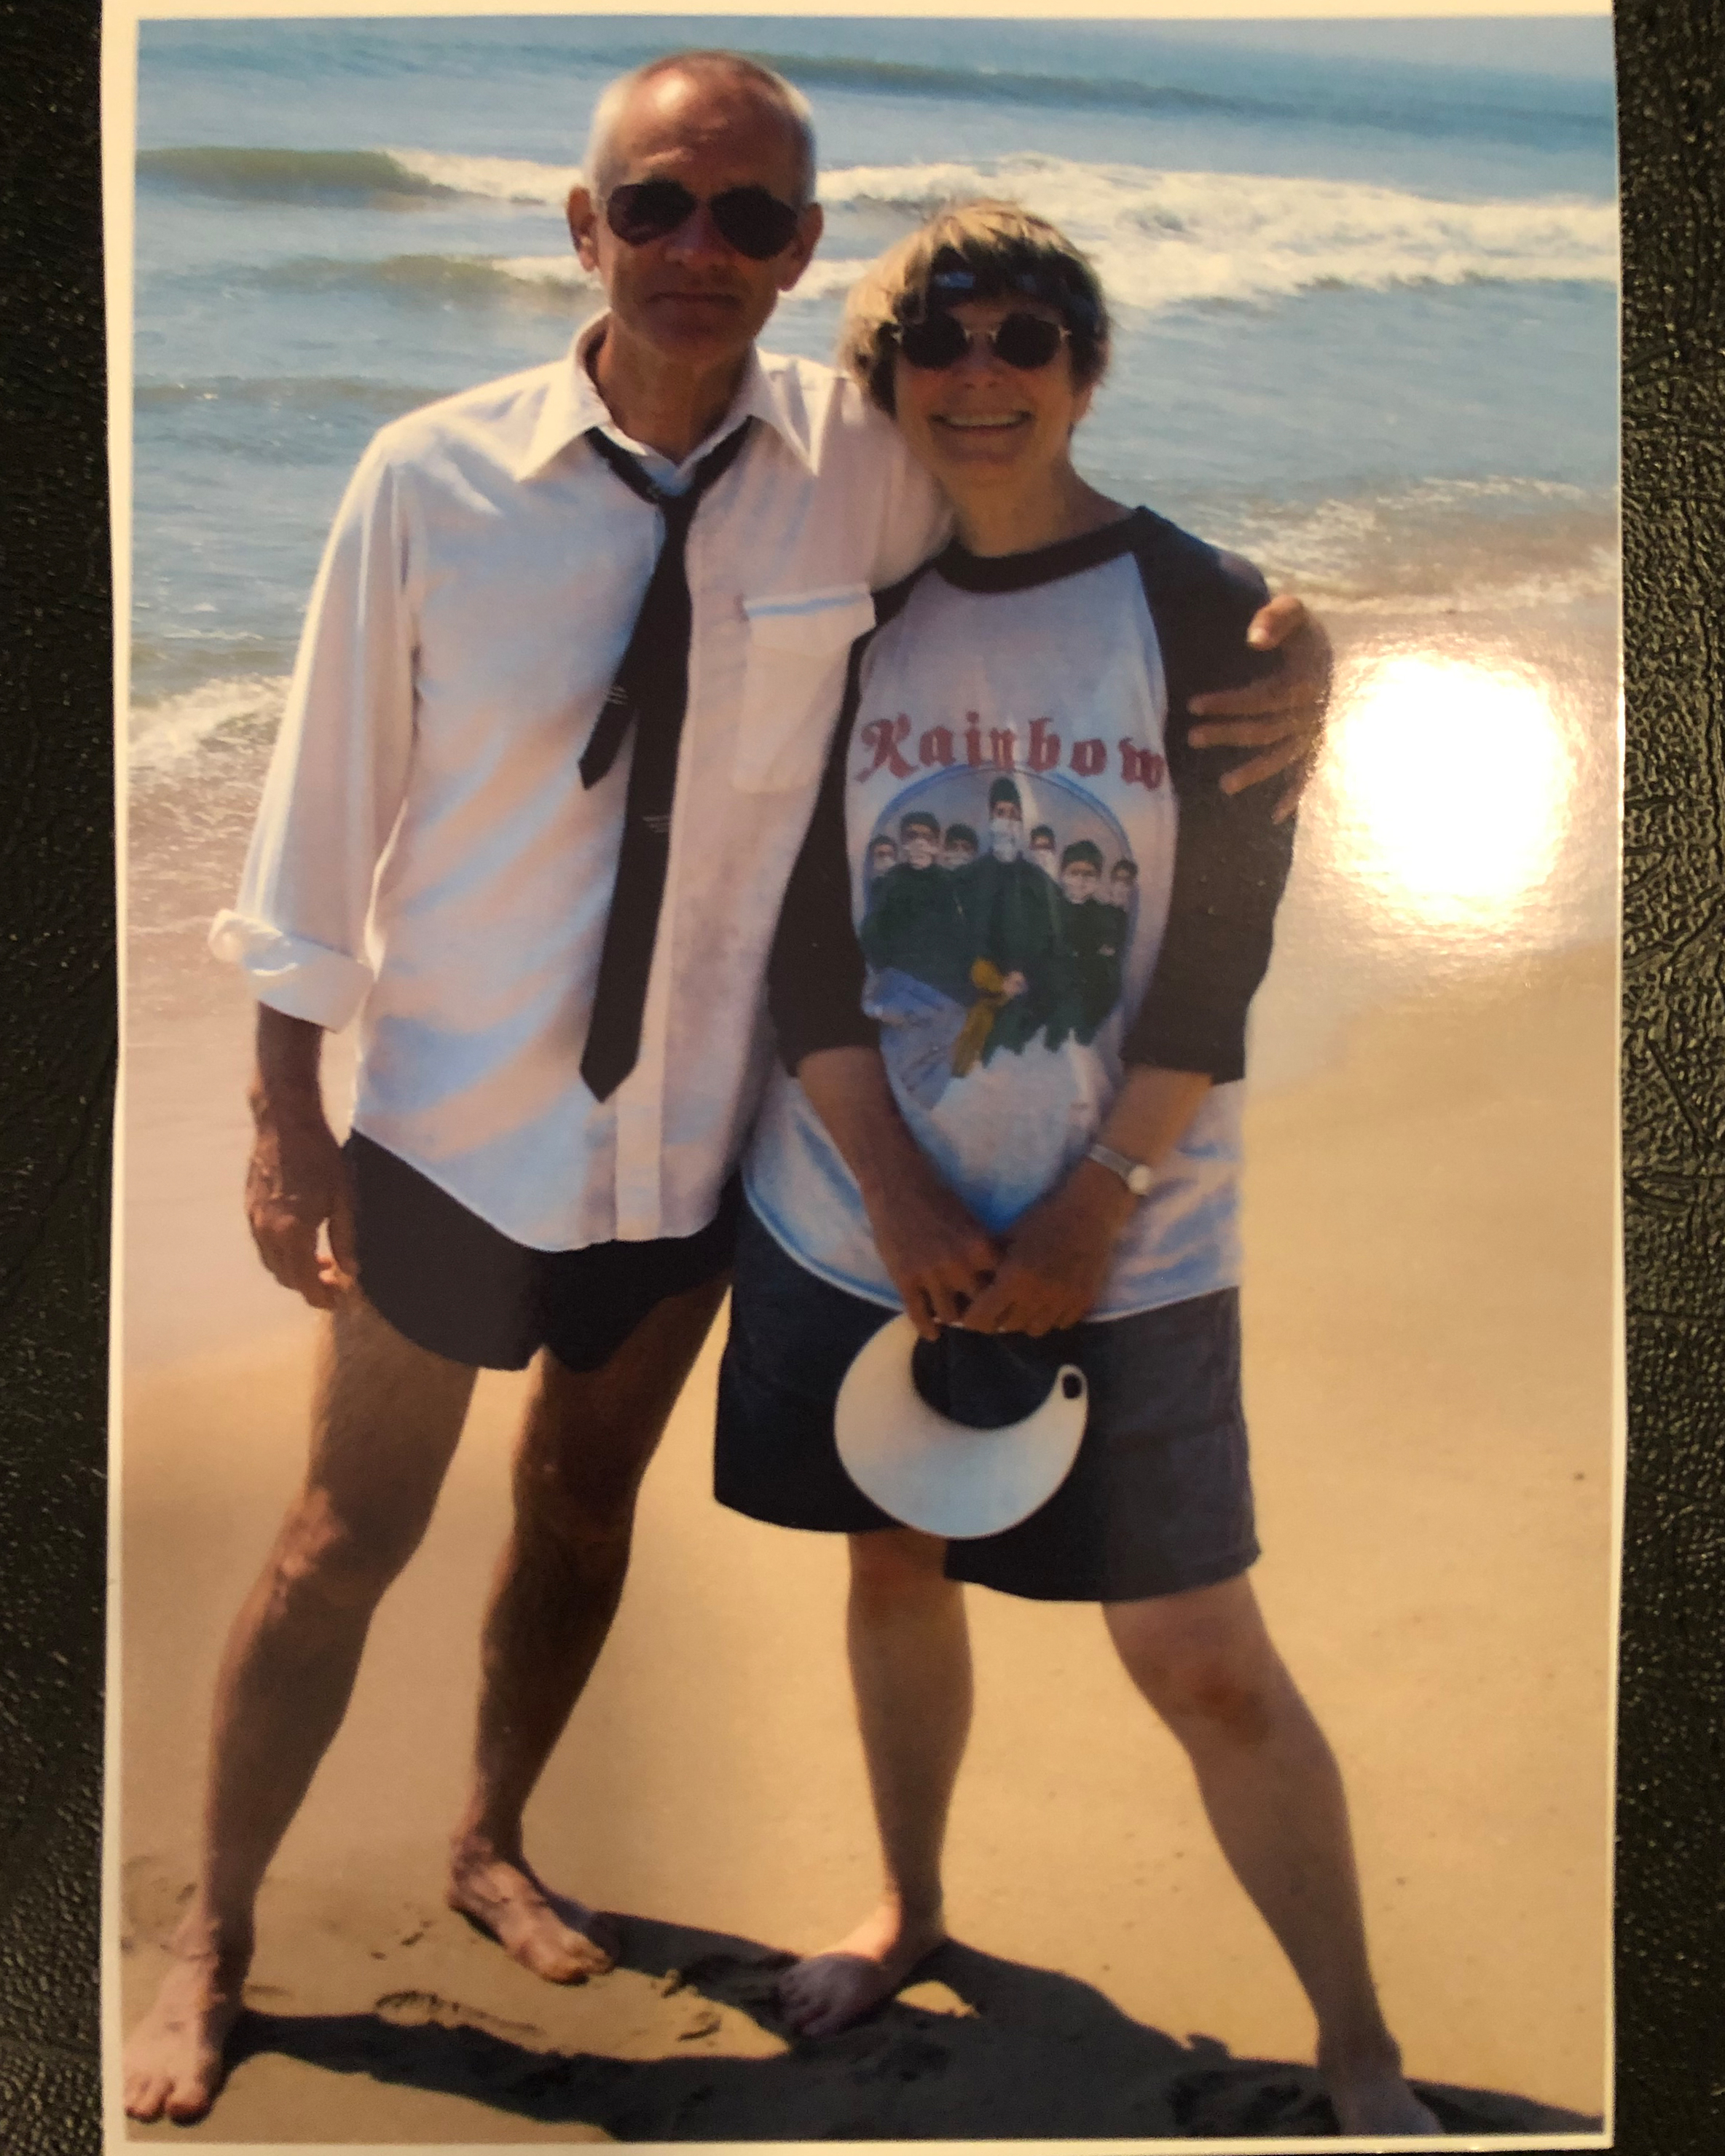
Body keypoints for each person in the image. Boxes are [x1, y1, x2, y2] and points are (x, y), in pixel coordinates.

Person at [122, 52, 1332, 2125]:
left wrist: (1301, 642)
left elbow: (1062, 527)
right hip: (454, 1129)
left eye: (753, 217)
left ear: (799, 253)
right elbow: (316, 822)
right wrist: (280, 1114)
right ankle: (209, 1940)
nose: (701, 247)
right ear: (582, 226)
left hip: (693, 1146)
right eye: (659, 206)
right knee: (341, 1537)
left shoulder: (858, 468)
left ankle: (492, 1835)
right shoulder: (429, 481)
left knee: (581, 1507)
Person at [715, 203, 1440, 2136]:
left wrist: (1098, 1200)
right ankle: (912, 1904)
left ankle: (1359, 2045)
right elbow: (801, 932)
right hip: (858, 1207)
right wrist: (895, 1190)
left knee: (1198, 1652)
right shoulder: (846, 608)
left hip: (1134, 1225)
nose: (979, 375)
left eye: (1023, 337)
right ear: (883, 386)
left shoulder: (1213, 614)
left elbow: (1222, 952)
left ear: (1086, 370)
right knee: (897, 1561)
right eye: (933, 346)